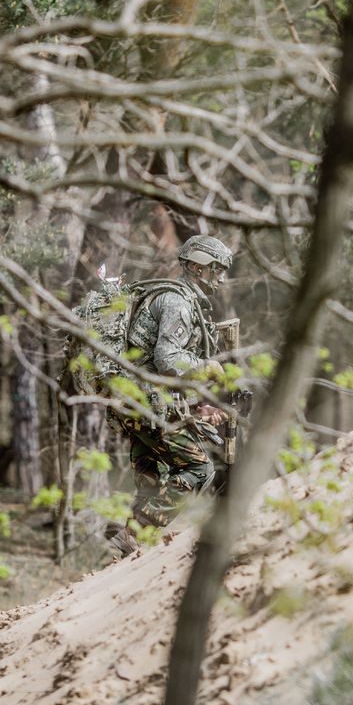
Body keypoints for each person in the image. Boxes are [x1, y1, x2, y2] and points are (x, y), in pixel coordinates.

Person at [109, 235, 233, 557]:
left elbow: (159, 366)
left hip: (137, 402)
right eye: (216, 269)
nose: (220, 278)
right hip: (148, 404)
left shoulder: (173, 297)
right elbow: (167, 359)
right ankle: (134, 533)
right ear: (196, 266)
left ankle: (128, 548)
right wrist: (208, 367)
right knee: (198, 468)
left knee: (150, 478)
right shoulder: (177, 301)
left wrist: (196, 406)